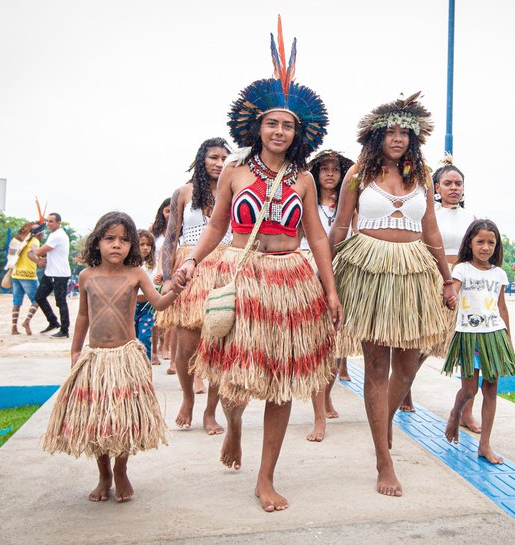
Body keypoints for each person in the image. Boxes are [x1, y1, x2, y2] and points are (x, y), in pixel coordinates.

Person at [173, 18, 341, 512]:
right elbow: (217, 226)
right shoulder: (234, 171)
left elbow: (316, 237)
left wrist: (329, 291)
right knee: (235, 375)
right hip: (242, 277)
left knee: (283, 378)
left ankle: (266, 476)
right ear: (256, 126)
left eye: (289, 125)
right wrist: (190, 264)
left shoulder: (305, 180)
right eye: (273, 122)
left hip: (290, 280)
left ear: (299, 131)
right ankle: (235, 425)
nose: (280, 131)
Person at [330, 92, 454, 497]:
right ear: (376, 136)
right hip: (369, 271)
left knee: (408, 364)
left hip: (414, 273)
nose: (398, 138)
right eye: (391, 132)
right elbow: (340, 228)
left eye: (405, 132)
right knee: (376, 366)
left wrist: (447, 278)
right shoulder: (357, 176)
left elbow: (432, 230)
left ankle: (381, 428)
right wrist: (323, 275)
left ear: (413, 139)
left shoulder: (422, 176)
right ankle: (384, 461)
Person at [42, 211, 185, 502]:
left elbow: (158, 303)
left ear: (132, 245)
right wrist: (75, 351)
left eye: (124, 239)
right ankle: (103, 474)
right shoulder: (86, 276)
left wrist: (176, 290)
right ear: (97, 243)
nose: (117, 245)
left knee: (122, 420)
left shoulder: (136, 274)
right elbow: (82, 315)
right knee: (99, 421)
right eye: (109, 239)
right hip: (96, 361)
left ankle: (121, 470)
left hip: (125, 360)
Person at [160, 137, 232, 433]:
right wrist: (166, 278)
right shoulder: (184, 193)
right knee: (187, 345)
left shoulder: (235, 190)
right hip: (189, 269)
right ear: (201, 159)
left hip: (226, 269)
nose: (218, 163)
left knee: (220, 343)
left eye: (224, 158)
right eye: (213, 157)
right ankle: (188, 398)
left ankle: (211, 411)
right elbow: (170, 238)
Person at [411, 157, 482, 433]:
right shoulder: (428, 214)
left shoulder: (472, 218)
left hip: (464, 283)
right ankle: (405, 389)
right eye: (448, 183)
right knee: (424, 345)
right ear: (436, 188)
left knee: (470, 348)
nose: (454, 188)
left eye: (458, 183)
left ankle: (467, 411)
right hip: (435, 280)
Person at [443, 219, 515, 464]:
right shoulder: (462, 269)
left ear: (496, 246)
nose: (485, 247)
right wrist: (450, 298)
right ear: (470, 243)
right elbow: (452, 292)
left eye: (491, 242)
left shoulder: (499, 273)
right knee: (469, 389)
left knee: (491, 390)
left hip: (494, 335)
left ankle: (484, 445)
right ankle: (456, 413)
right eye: (480, 242)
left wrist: (507, 338)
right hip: (469, 335)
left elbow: (501, 307)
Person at [300, 149, 354, 442]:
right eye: (325, 169)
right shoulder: (305, 199)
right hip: (310, 269)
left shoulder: (349, 203)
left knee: (336, 344)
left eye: (335, 169)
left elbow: (355, 234)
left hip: (342, 269)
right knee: (318, 345)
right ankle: (319, 415)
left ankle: (327, 396)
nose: (330, 174)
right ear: (317, 174)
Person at [32, 212, 72, 338]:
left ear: (58, 223)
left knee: (61, 302)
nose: (48, 224)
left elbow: (39, 251)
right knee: (39, 296)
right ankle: (53, 322)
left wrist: (30, 245)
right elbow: (46, 253)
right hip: (50, 273)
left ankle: (64, 330)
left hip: (59, 274)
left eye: (51, 221)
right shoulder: (53, 235)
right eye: (47, 221)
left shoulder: (58, 235)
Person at [7, 222, 43, 335]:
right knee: (38, 300)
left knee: (16, 302)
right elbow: (31, 254)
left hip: (16, 274)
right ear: (39, 233)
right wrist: (39, 262)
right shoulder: (35, 241)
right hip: (28, 275)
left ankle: (14, 328)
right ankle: (27, 321)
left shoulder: (21, 242)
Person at [149, 198, 171, 366]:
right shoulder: (153, 232)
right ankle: (156, 346)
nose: (170, 214)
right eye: (167, 211)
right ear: (161, 212)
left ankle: (165, 346)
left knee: (170, 316)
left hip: (172, 270)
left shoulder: (181, 228)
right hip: (154, 272)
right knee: (156, 315)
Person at [135, 229, 157, 359]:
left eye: (148, 245)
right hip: (131, 307)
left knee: (144, 337)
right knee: (132, 339)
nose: (145, 248)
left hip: (147, 308)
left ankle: (146, 370)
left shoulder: (153, 266)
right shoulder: (129, 266)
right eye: (141, 244)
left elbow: (156, 285)